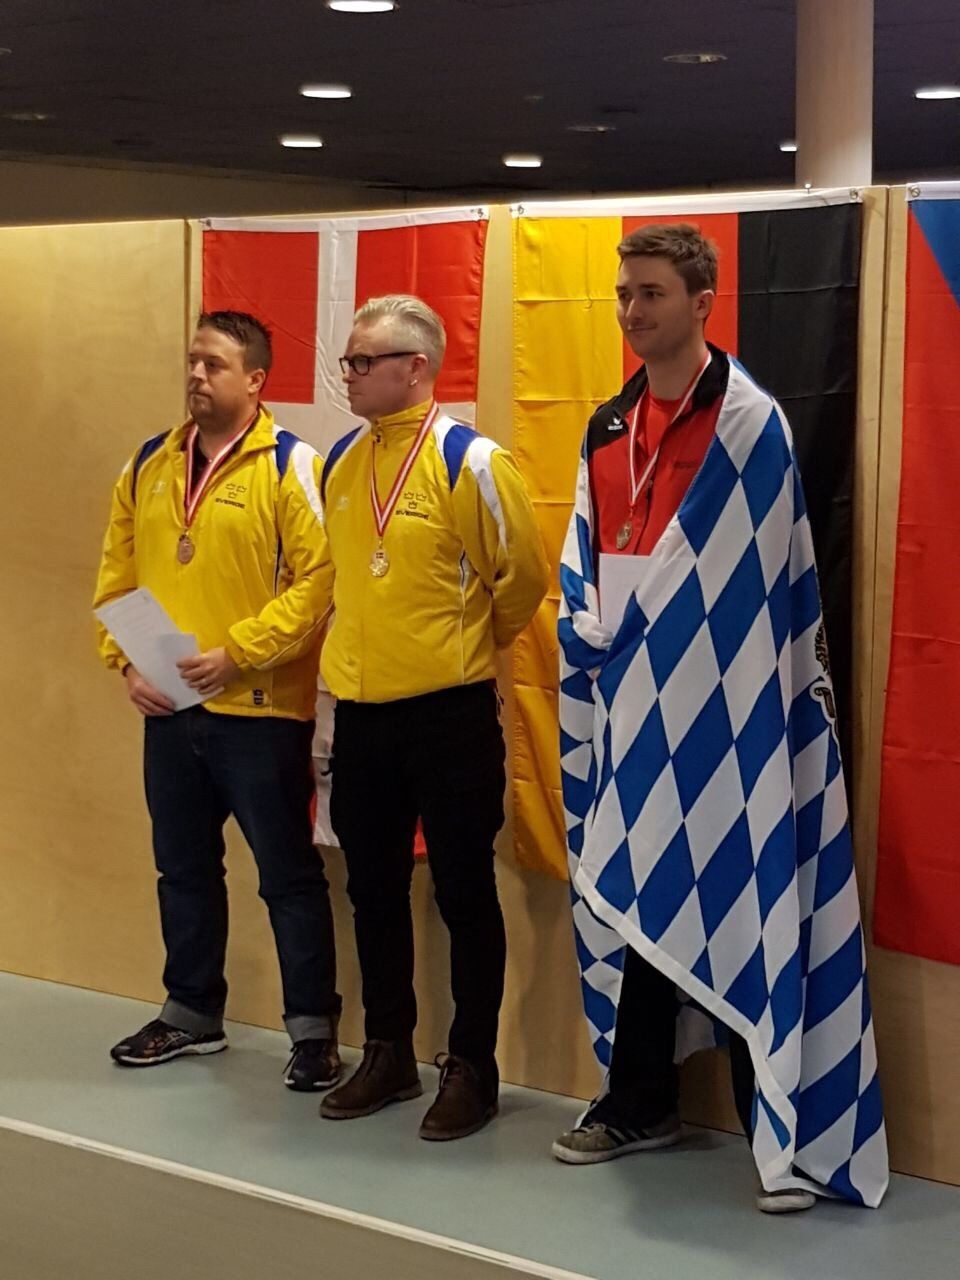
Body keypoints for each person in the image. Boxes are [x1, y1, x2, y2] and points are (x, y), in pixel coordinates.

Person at [553, 225, 887, 1212]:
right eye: (624, 292)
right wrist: (587, 620)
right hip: (632, 709)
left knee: (746, 896)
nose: (632, 310)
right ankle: (639, 1102)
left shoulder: (749, 426)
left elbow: (762, 583)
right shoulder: (608, 426)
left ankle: (775, 1124)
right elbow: (588, 547)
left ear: (703, 302)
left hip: (733, 721)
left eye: (651, 292)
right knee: (642, 892)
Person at [315, 295, 549, 1140]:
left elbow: (522, 579)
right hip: (362, 717)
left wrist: (459, 649)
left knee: (463, 890)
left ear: (416, 367)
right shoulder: (342, 462)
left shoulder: (472, 461)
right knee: (373, 888)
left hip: (449, 715)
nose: (348, 375)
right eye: (347, 361)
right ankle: (388, 1050)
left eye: (363, 361)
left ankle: (473, 1065)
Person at [94, 310, 342, 1092]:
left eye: (215, 365)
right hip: (170, 711)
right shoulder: (149, 462)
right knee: (183, 869)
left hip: (260, 712)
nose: (197, 375)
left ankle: (313, 1032)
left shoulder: (291, 466)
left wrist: (240, 650)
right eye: (193, 361)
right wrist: (125, 665)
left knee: (287, 877)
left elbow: (320, 581)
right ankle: (192, 1012)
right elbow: (116, 574)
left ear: (256, 380)